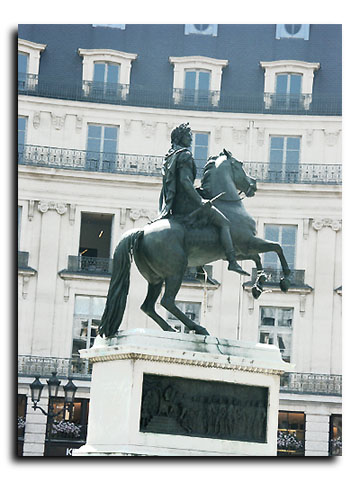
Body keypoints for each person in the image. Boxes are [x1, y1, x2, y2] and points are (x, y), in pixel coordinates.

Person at [158, 122, 249, 275]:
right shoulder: (185, 155)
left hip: (173, 204)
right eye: (188, 136)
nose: (191, 140)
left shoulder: (170, 156)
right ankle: (232, 261)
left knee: (201, 227)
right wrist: (200, 201)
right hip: (186, 204)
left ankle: (200, 270)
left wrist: (199, 192)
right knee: (224, 223)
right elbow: (185, 182)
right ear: (181, 137)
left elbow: (178, 184)